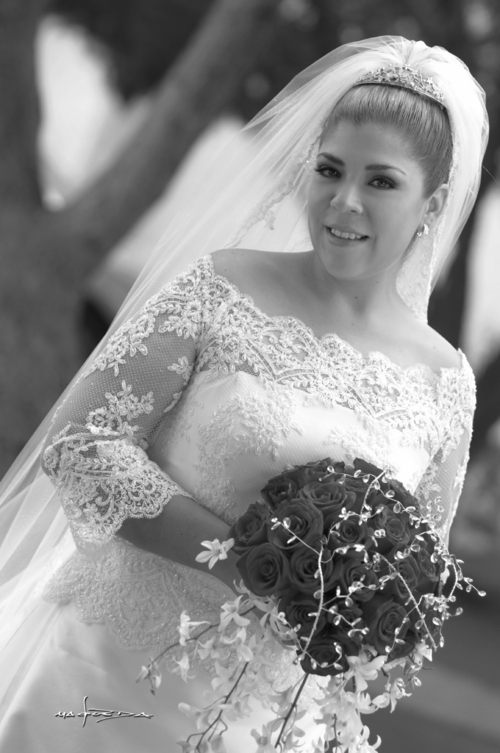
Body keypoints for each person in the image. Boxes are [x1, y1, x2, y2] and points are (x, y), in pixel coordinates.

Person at [0, 36, 488, 752]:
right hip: (106, 679)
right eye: (330, 170)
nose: (344, 201)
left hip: (273, 723)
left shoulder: (447, 382)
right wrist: (254, 562)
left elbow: (416, 579)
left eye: (382, 181)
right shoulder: (223, 286)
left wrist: (359, 613)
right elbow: (82, 444)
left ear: (432, 205)